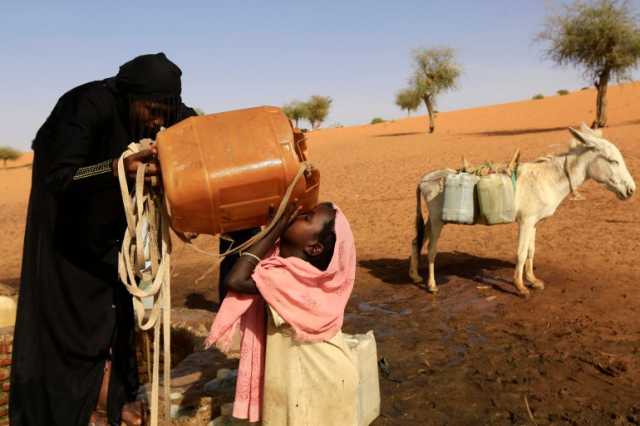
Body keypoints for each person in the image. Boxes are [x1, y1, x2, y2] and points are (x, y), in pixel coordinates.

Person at [10, 52, 196, 426]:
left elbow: (198, 138)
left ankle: (111, 408)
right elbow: (59, 176)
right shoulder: (85, 105)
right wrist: (115, 168)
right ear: (130, 98)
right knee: (68, 335)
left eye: (166, 111)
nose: (159, 121)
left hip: (116, 244)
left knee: (117, 325)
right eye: (151, 110)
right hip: (66, 243)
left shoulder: (171, 112)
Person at [205, 202, 359, 425]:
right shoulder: (295, 274)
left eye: (305, 218)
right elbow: (262, 261)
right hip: (326, 378)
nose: (296, 216)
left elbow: (235, 280)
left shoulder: (284, 280)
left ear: (314, 248)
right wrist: (274, 227)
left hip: (320, 382)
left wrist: (275, 228)